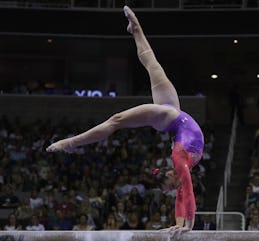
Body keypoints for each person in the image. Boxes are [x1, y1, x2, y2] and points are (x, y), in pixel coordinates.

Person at [46, 5, 204, 232]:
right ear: (171, 176)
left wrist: (181, 225)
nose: (170, 191)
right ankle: (70, 143)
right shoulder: (180, 162)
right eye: (168, 189)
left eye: (168, 189)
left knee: (150, 71)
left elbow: (183, 196)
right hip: (169, 117)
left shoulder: (181, 165)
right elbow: (186, 192)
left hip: (173, 115)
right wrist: (187, 225)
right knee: (118, 117)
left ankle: (136, 29)